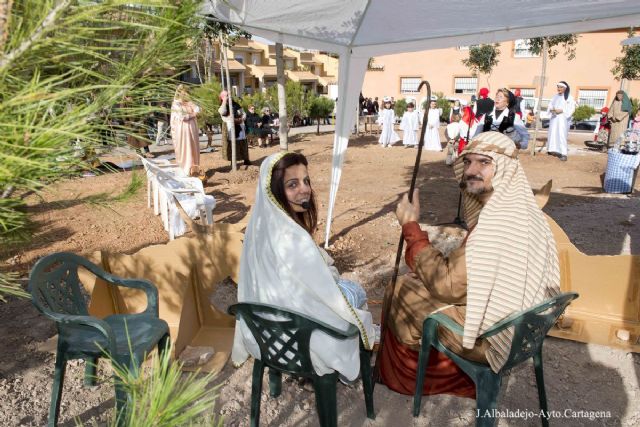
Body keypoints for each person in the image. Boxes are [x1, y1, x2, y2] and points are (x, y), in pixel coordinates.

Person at [379, 131, 561, 396]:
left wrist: (411, 228)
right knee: (419, 280)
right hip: (521, 329)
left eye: (484, 162)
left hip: (493, 338)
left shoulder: (497, 224)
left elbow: (446, 286)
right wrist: (427, 269)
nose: (471, 170)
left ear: (505, 169)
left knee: (400, 288)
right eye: (468, 162)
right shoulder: (522, 211)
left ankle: (415, 378)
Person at [232, 152, 375, 381]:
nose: (304, 189)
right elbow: (325, 291)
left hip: (265, 334)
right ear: (274, 191)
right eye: (292, 184)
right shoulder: (292, 237)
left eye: (306, 181)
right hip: (301, 340)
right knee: (356, 293)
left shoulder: (257, 228)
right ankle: (348, 363)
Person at [170, 84, 202, 176]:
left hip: (192, 129)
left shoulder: (189, 102)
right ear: (180, 93)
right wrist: (193, 114)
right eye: (185, 92)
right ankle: (186, 170)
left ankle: (194, 169)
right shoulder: (176, 104)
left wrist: (194, 111)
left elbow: (198, 109)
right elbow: (182, 116)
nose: (187, 94)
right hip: (183, 130)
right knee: (186, 149)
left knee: (193, 149)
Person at [219, 90, 250, 166]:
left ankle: (246, 159)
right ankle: (233, 161)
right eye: (226, 95)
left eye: (229, 95)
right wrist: (224, 101)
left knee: (243, 143)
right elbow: (223, 112)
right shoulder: (222, 106)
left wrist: (241, 119)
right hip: (230, 127)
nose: (229, 96)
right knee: (233, 144)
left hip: (240, 125)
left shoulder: (236, 104)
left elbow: (244, 114)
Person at [546, 81, 576, 161]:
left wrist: (562, 110)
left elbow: (572, 109)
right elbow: (550, 105)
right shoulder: (554, 96)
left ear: (565, 88)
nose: (559, 89)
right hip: (554, 118)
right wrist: (551, 109)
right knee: (552, 133)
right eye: (558, 87)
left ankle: (563, 153)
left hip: (562, 119)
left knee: (561, 135)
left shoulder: (569, 97)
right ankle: (551, 149)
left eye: (561, 87)